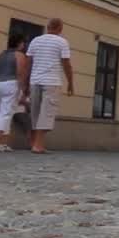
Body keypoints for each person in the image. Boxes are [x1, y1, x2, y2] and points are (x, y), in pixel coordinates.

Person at [23, 18, 74, 155]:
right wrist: (70, 82)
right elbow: (66, 64)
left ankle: (35, 143)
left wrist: (25, 83)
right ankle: (38, 145)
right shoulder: (62, 42)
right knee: (47, 113)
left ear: (48, 27)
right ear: (60, 28)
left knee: (35, 112)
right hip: (51, 81)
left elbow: (28, 63)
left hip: (35, 80)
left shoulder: (35, 41)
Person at [0, 34, 28, 152]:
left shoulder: (2, 54)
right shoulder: (19, 55)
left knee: (6, 112)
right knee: (5, 114)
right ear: (19, 43)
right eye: (23, 42)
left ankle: (3, 143)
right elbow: (20, 73)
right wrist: (23, 90)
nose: (24, 45)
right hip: (11, 84)